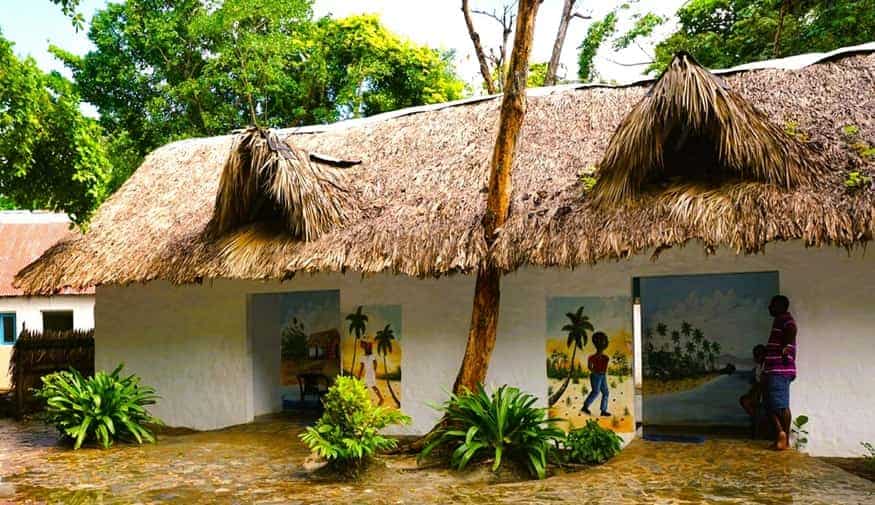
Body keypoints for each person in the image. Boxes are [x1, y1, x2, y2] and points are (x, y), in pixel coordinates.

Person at [763, 295, 797, 450]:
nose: (769, 308)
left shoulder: (784, 318)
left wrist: (786, 346)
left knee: (779, 405)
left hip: (779, 369)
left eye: (772, 305)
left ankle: (783, 436)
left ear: (780, 306)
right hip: (776, 370)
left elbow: (792, 329)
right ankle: (783, 437)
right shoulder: (780, 320)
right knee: (774, 403)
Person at [581, 331, 611, 417]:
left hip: (602, 375)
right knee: (596, 392)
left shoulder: (605, 358)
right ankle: (585, 407)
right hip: (597, 375)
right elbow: (590, 367)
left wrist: (597, 371)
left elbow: (591, 367)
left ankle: (603, 411)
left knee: (605, 392)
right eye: (603, 341)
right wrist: (596, 372)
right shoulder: (594, 357)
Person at [739, 344, 767, 417]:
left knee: (747, 402)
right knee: (744, 401)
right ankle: (756, 418)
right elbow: (757, 383)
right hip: (759, 393)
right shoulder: (758, 367)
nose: (755, 358)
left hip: (766, 394)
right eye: (755, 355)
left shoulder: (767, 367)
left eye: (757, 355)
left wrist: (754, 396)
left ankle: (758, 419)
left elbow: (762, 383)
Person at [356, 340, 384, 405]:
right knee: (366, 386)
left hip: (370, 373)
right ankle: (362, 399)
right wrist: (359, 375)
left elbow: (375, 363)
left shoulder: (372, 356)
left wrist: (373, 371)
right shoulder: (363, 357)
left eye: (365, 346)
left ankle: (381, 398)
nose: (364, 348)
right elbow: (362, 367)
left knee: (372, 386)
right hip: (368, 373)